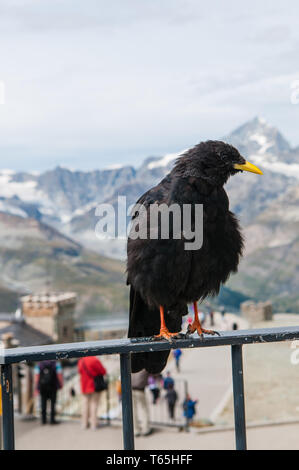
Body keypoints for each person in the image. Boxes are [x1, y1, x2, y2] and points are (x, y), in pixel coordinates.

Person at [78, 356, 107, 431]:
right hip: (94, 385)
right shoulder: (94, 360)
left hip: (84, 385)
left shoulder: (81, 360)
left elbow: (79, 371)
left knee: (85, 405)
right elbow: (103, 371)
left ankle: (84, 424)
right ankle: (93, 424)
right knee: (94, 405)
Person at [35, 360, 63, 425]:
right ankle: (52, 420)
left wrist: (36, 387)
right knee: (53, 404)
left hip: (42, 387)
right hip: (53, 386)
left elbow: (37, 376)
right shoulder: (56, 364)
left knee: (43, 403)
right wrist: (60, 384)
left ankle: (43, 420)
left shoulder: (39, 364)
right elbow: (59, 374)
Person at [131, 369, 152, 437]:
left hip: (130, 389)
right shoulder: (143, 366)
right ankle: (145, 429)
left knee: (133, 410)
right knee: (144, 409)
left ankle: (135, 430)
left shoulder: (131, 364)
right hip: (140, 390)